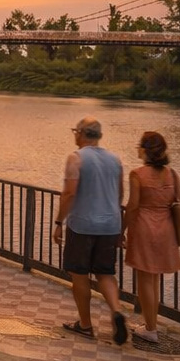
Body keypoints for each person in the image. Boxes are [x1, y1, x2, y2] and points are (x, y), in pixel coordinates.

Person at [54, 117, 129, 344]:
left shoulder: (76, 159)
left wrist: (59, 223)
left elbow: (69, 193)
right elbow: (119, 195)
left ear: (79, 134)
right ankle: (116, 310)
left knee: (79, 274)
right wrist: (119, 227)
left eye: (75, 132)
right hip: (110, 224)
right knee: (105, 272)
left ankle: (85, 324)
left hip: (83, 225)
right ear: (100, 136)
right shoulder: (115, 160)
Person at [123, 132, 180, 344]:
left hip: (144, 228)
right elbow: (179, 201)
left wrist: (121, 229)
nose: (137, 149)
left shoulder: (137, 174)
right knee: (154, 280)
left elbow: (133, 206)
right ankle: (151, 325)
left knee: (144, 281)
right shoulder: (172, 174)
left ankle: (150, 329)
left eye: (139, 146)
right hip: (165, 230)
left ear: (145, 150)